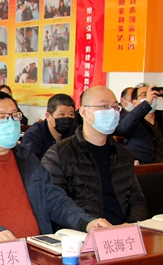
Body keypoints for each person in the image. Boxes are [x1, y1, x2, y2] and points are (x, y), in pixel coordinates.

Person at [0, 91, 110, 251]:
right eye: (2, 117)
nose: (11, 122)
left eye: (14, 116)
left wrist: (86, 222)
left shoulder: (27, 159)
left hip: (36, 250)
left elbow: (54, 200)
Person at [42, 86, 148, 226]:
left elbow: (137, 199)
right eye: (104, 106)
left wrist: (130, 224)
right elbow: (55, 203)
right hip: (82, 230)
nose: (112, 112)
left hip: (122, 230)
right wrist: (88, 223)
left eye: (115, 107)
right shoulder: (59, 154)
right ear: (84, 112)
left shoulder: (123, 154)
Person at [21, 93, 77, 160]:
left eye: (71, 114)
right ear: (48, 116)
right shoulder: (33, 135)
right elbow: (32, 164)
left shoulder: (75, 133)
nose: (67, 119)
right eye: (62, 114)